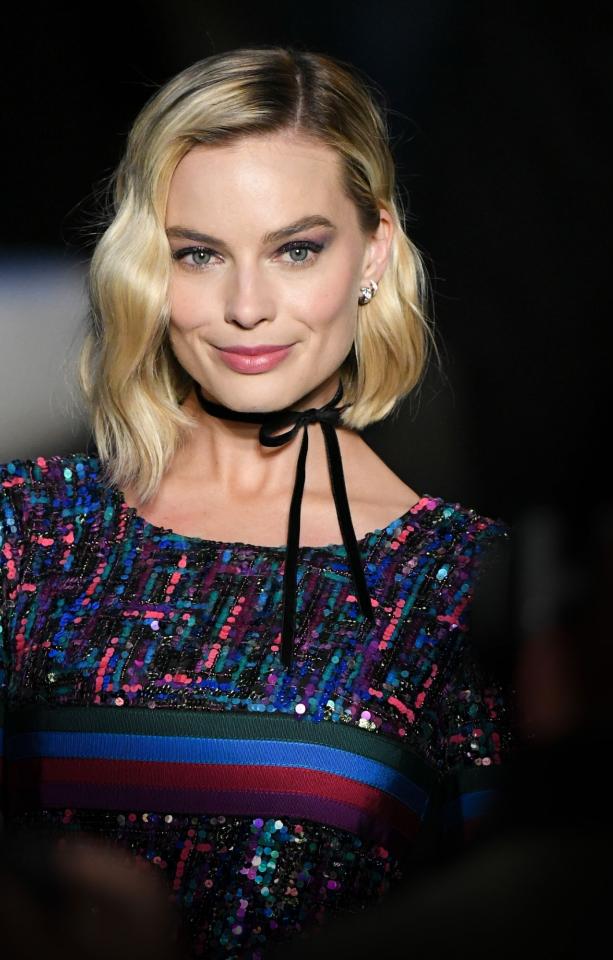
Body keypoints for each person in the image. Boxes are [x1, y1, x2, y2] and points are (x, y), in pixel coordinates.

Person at [0, 46, 517, 959]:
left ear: (375, 250)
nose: (246, 306)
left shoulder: (459, 585)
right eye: (199, 254)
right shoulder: (29, 532)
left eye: (296, 249)